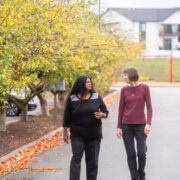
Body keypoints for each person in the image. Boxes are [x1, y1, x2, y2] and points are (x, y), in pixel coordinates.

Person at [63, 75, 109, 180]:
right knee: (76, 158)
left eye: (90, 82)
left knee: (92, 162)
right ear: (81, 84)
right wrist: (65, 131)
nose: (90, 83)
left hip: (94, 136)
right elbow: (67, 117)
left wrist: (103, 115)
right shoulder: (72, 99)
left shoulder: (96, 97)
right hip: (77, 135)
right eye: (87, 82)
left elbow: (106, 112)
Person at [116, 67, 152, 180]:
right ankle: (134, 177)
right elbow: (121, 109)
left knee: (141, 153)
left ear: (131, 75)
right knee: (131, 154)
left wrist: (148, 123)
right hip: (126, 125)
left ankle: (141, 172)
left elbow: (149, 108)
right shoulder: (124, 90)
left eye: (125, 75)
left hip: (141, 125)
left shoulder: (144, 88)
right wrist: (118, 127)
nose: (124, 77)